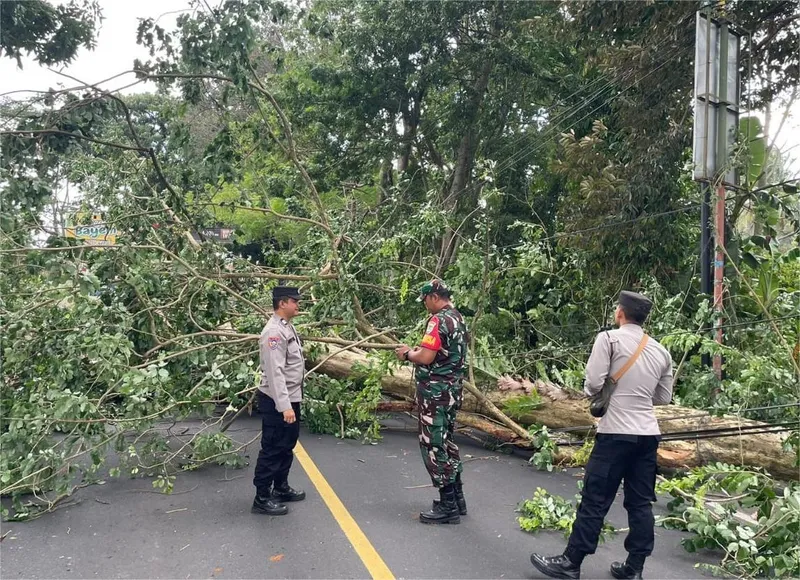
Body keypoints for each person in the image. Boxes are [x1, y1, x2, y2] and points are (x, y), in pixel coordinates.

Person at [530, 291, 673, 580]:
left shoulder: (608, 339)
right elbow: (664, 396)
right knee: (640, 502)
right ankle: (634, 568)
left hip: (615, 434)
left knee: (595, 499)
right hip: (647, 436)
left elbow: (593, 384)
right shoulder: (661, 351)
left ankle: (572, 562)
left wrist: (605, 392)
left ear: (620, 313)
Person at [395, 279, 469, 525]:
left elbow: (426, 357)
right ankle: (457, 498)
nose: (425, 304)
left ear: (435, 297)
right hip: (452, 392)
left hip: (435, 394)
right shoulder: (458, 318)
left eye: (425, 299)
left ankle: (448, 505)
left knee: (433, 444)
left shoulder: (438, 321)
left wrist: (407, 354)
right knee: (447, 441)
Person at [251, 286, 307, 515]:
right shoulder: (273, 332)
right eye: (294, 301)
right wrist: (284, 406)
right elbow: (275, 374)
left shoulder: (286, 327)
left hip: (291, 397)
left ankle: (280, 487)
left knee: (287, 445)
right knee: (273, 448)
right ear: (282, 303)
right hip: (277, 401)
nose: (298, 304)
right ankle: (262, 497)